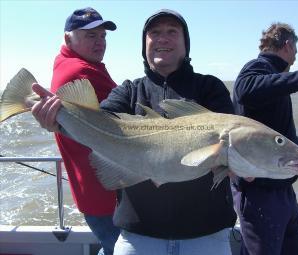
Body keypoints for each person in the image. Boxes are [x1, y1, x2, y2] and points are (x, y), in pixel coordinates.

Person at [30, 9, 237, 255]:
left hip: (207, 235)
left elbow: (232, 152)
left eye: (172, 32)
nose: (162, 38)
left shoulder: (211, 88)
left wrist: (238, 165)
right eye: (155, 33)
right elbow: (98, 126)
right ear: (145, 44)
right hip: (137, 237)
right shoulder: (126, 91)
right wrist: (59, 123)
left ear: (185, 43)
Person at [232, 22, 298, 255]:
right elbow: (245, 89)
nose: (296, 56)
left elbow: (281, 135)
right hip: (259, 191)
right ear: (287, 45)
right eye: (296, 51)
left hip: (282, 188)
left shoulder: (276, 79)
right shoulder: (258, 66)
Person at [38, 7, 120, 255]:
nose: (100, 42)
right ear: (68, 38)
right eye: (90, 36)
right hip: (104, 192)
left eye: (102, 36)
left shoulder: (69, 63)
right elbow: (124, 120)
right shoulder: (81, 72)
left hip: (92, 192)